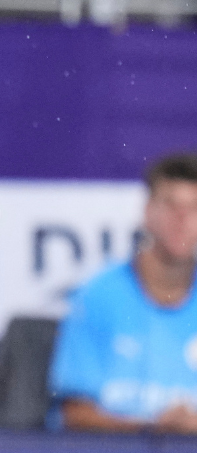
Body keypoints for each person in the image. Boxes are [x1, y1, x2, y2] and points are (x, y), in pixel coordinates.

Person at [50, 152, 197, 434]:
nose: (182, 219)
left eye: (194, 207)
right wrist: (155, 429)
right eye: (171, 205)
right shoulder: (96, 296)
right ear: (148, 212)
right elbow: (73, 414)